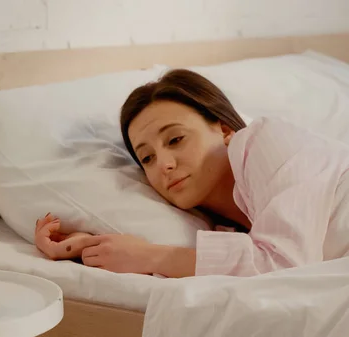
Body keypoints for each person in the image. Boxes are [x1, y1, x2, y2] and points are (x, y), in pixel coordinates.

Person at [34, 69, 349, 278]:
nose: (164, 165)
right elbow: (243, 258)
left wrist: (152, 256)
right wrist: (90, 245)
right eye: (147, 158)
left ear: (224, 129)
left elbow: (285, 265)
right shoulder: (223, 225)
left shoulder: (268, 141)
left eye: (175, 139)